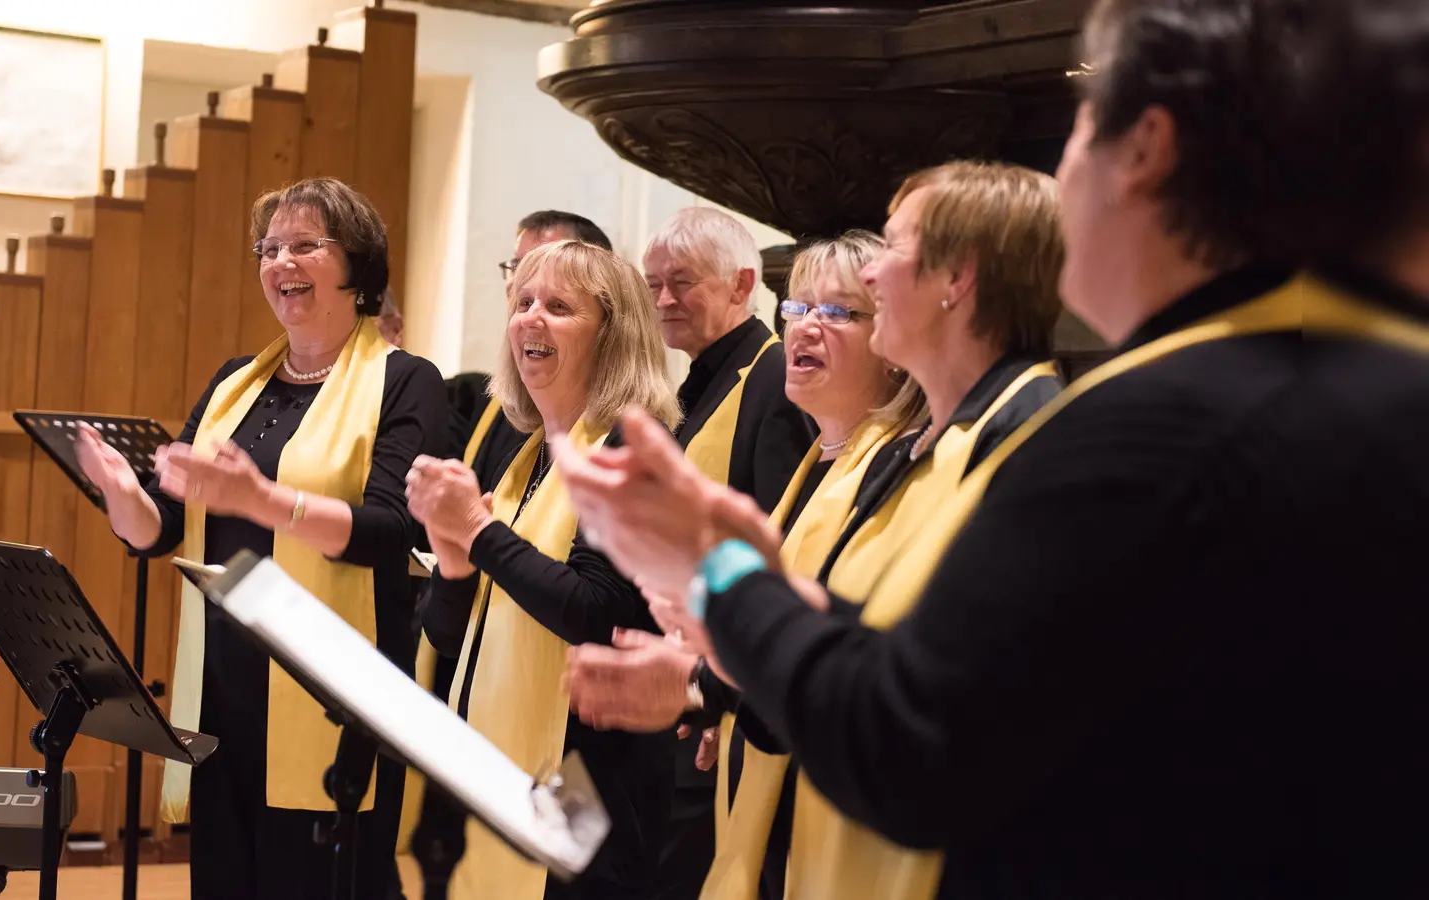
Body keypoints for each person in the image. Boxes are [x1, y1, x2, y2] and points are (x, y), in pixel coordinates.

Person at [552, 0, 1429, 895]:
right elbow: (998, 679)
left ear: (1145, 148)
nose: (1059, 181)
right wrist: (732, 661)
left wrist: (722, 573)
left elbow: (913, 742)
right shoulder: (1379, 382)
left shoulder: (1154, 427)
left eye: (1080, 130)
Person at [571, 162, 1066, 899]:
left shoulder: (1026, 441)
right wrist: (712, 675)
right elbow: (852, 635)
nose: (874, 281)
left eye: (891, 252)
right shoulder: (924, 442)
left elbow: (924, 692)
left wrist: (718, 605)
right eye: (800, 306)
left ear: (956, 279)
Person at [74, 177, 447, 900]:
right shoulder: (232, 385)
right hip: (226, 690)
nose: (281, 263)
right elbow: (161, 528)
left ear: (357, 266)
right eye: (269, 249)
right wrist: (120, 491)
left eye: (305, 245)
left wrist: (265, 500)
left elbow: (393, 530)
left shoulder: (406, 382)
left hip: (334, 693)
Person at [406, 239, 681, 900]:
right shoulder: (527, 455)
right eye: (523, 302)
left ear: (611, 336)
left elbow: (595, 610)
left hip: (591, 784)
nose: (530, 318)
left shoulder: (632, 448)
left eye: (559, 306)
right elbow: (450, 640)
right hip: (498, 771)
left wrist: (477, 531)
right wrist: (452, 564)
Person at [639, 206, 816, 899]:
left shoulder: (769, 381)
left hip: (720, 677)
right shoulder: (700, 376)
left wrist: (724, 688)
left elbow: (775, 542)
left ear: (743, 283)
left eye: (680, 283)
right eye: (653, 284)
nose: (662, 301)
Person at [444, 210, 616, 464]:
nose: (520, 281)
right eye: (517, 267)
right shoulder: (505, 400)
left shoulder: (618, 438)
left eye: (543, 265)